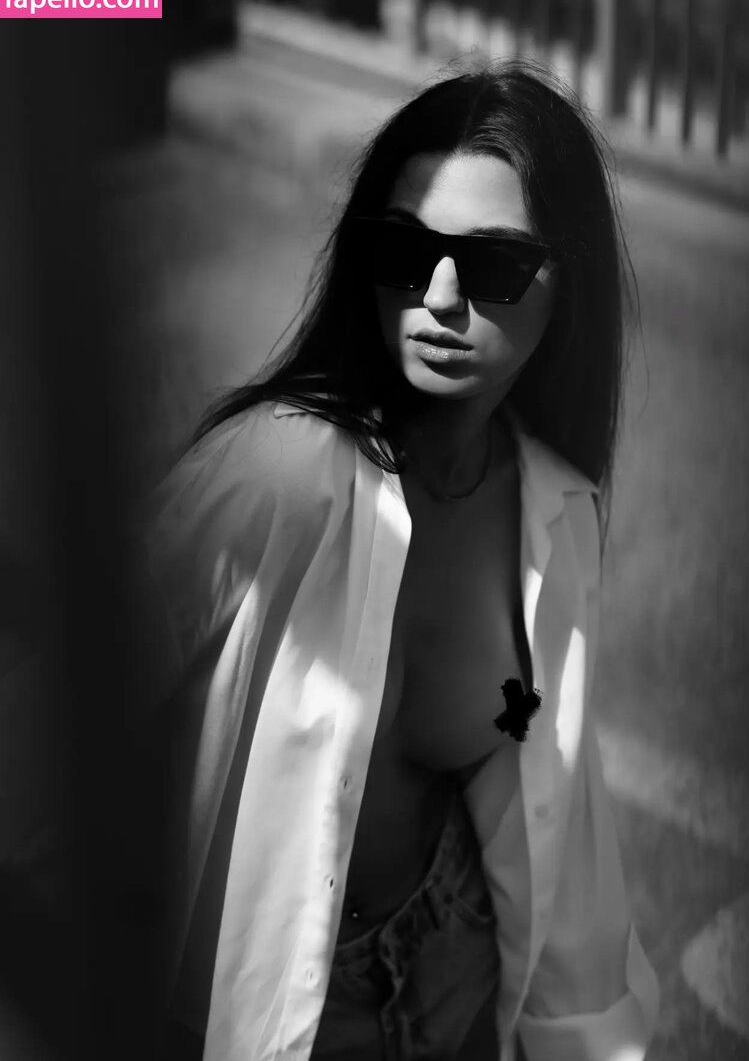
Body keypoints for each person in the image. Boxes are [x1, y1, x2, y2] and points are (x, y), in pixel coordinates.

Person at [139, 60, 659, 1061]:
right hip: (281, 995)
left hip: (458, 959)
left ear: (570, 285)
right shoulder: (274, 478)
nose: (440, 298)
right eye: (407, 253)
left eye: (495, 266)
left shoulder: (558, 512)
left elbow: (553, 800)